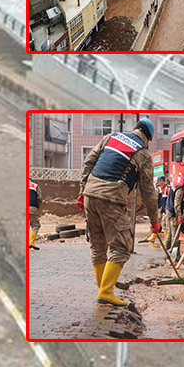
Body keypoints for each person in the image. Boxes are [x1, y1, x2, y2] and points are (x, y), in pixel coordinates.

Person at [78, 118, 159, 306]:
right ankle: (106, 292)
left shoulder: (111, 137)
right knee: (121, 247)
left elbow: (88, 163)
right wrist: (154, 220)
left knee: (98, 245)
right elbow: (148, 191)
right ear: (148, 138)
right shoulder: (144, 153)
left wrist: (83, 191)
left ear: (135, 129)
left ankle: (103, 290)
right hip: (111, 197)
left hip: (91, 193)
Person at [163, 172, 184, 252]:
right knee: (175, 234)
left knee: (170, 232)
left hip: (169, 209)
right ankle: (175, 257)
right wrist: (179, 216)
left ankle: (168, 254)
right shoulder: (181, 186)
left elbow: (180, 198)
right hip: (173, 212)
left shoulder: (180, 181)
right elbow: (177, 203)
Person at [28, 179, 41, 250]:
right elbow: (40, 198)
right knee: (35, 224)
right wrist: (36, 207)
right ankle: (31, 242)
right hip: (32, 207)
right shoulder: (35, 186)